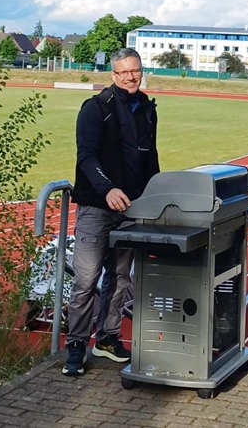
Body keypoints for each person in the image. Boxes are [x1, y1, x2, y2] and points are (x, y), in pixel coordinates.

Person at [63, 48, 160, 376]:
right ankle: (76, 345)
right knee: (86, 279)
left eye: (135, 71)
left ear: (141, 71)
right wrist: (107, 189)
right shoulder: (95, 109)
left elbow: (150, 157)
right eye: (124, 72)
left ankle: (106, 338)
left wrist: (155, 196)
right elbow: (85, 156)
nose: (130, 77)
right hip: (96, 206)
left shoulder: (147, 109)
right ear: (113, 75)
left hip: (131, 209)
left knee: (120, 278)